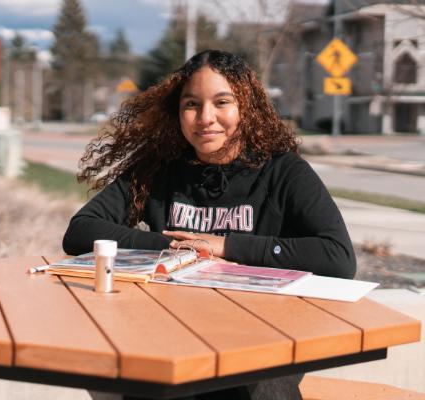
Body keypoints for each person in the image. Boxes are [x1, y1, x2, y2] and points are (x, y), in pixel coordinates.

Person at [63, 50, 356, 282]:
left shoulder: (283, 171)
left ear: (246, 110)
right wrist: (178, 250)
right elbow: (80, 232)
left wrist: (226, 246)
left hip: (258, 324)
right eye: (192, 104)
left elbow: (338, 256)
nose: (205, 117)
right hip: (172, 320)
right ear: (176, 113)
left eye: (222, 102)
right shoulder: (157, 168)